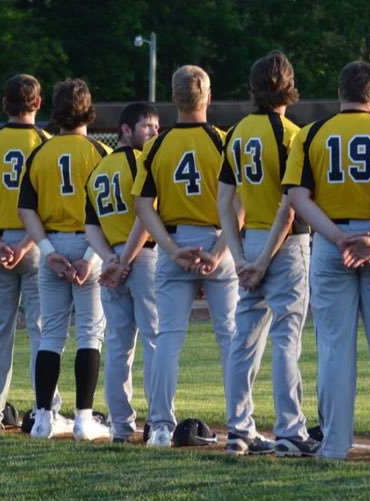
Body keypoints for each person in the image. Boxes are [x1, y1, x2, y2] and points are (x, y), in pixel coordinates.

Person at [282, 61, 370, 461]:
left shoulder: (314, 132)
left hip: (332, 244)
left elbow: (297, 196)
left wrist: (335, 236)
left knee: (335, 347)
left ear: (340, 92)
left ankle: (334, 444)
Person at [131, 65, 237, 448]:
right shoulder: (224, 141)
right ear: (207, 97)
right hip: (217, 242)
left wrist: (173, 250)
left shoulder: (157, 145)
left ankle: (159, 426)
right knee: (230, 338)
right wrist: (219, 250)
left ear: (174, 99)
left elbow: (144, 207)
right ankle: (240, 425)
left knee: (167, 339)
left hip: (174, 241)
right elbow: (238, 204)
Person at [214, 51, 312, 457]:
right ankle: (290, 430)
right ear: (288, 86)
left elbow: (223, 203)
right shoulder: (292, 134)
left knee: (245, 339)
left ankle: (239, 429)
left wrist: (239, 258)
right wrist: (261, 261)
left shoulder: (235, 132)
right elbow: (289, 208)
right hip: (282, 247)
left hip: (250, 240)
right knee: (286, 336)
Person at [17, 79, 113, 442]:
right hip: (91, 245)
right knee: (90, 332)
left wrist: (47, 250)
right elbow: (108, 210)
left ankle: (43, 419)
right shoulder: (101, 151)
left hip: (52, 245)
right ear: (89, 110)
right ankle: (83, 419)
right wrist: (91, 256)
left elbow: (26, 208)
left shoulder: (40, 152)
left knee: (51, 336)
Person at [0, 75, 56, 432]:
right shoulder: (47, 143)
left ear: (5, 103)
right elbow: (50, 203)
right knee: (42, 332)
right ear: (38, 103)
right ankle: (44, 411)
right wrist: (26, 244)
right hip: (37, 245)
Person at [84, 102, 159, 444]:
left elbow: (91, 227)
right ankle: (158, 422)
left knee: (118, 346)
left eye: (156, 126)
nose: (154, 132)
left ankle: (120, 425)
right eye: (147, 126)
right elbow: (147, 215)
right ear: (126, 130)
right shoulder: (144, 161)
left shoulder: (99, 169)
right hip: (141, 257)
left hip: (113, 261)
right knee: (155, 340)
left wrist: (110, 260)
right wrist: (124, 260)